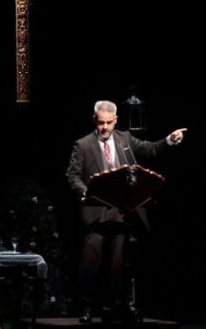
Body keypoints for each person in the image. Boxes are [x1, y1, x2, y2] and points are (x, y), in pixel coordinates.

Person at [66, 100, 187, 324]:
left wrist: (169, 140)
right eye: (100, 123)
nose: (104, 127)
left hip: (122, 210)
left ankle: (111, 307)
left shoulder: (125, 139)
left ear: (116, 121)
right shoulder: (82, 145)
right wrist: (86, 192)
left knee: (118, 263)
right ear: (94, 120)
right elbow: (72, 175)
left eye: (109, 123)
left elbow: (150, 149)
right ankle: (85, 306)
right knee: (91, 260)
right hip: (96, 210)